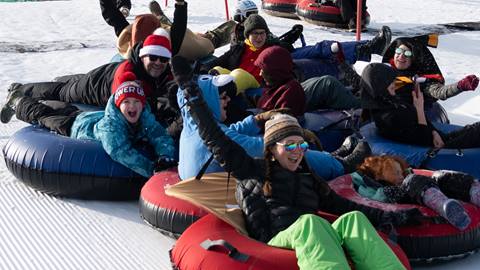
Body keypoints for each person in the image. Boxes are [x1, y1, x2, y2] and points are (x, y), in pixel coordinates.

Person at [173, 57, 422, 269]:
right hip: (274, 241)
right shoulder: (253, 170)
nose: (298, 152)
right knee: (310, 223)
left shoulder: (307, 176)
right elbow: (216, 139)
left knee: (353, 219)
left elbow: (341, 205)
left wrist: (393, 216)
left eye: (301, 145)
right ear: (272, 149)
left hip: (310, 241)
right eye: (290, 145)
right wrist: (190, 91)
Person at [173, 58, 371, 181]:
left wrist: (258, 119)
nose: (227, 100)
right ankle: (341, 163)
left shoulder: (194, 128)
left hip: (210, 176)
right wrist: (295, 139)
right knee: (285, 154)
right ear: (207, 104)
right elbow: (269, 148)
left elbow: (230, 132)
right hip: (228, 192)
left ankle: (332, 157)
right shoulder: (214, 139)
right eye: (222, 97)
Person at [1, 12, 185, 138]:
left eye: (163, 59)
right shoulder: (126, 75)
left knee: (69, 84)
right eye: (153, 57)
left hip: (106, 78)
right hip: (98, 86)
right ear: (144, 56)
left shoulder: (164, 71)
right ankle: (21, 90)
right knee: (64, 91)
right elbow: (125, 104)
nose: (158, 63)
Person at [4, 74, 176, 178]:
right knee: (44, 115)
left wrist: (166, 155)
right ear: (118, 105)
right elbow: (119, 151)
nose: (132, 106)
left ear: (142, 104)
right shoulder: (111, 128)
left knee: (66, 109)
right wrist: (151, 169)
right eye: (127, 102)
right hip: (76, 127)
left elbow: (159, 134)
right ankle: (17, 101)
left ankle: (38, 100)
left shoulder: (144, 115)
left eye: (136, 102)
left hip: (90, 117)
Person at [202, 13, 391, 85]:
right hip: (271, 77)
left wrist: (290, 36)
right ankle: (349, 75)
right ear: (247, 35)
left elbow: (284, 44)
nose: (259, 37)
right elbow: (215, 63)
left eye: (262, 33)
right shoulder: (238, 51)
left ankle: (368, 48)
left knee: (323, 47)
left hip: (286, 55)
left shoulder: (269, 43)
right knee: (316, 63)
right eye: (255, 34)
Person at [360, 63, 480, 149]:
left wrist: (433, 132)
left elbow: (437, 91)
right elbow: (421, 139)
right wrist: (419, 108)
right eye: (390, 81)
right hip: (439, 147)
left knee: (475, 128)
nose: (394, 83)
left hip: (437, 137)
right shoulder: (387, 117)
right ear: (379, 85)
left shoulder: (391, 101)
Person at [355, 155, 475, 230]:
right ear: (378, 175)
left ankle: (474, 192)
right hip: (409, 199)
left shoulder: (405, 178)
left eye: (401, 172)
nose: (401, 176)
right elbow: (373, 203)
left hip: (423, 190)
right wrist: (388, 192)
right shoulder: (374, 188)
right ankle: (444, 206)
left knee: (442, 177)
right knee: (412, 180)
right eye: (396, 173)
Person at [254, 46, 361, 117]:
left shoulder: (289, 93)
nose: (260, 74)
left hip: (329, 89)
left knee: (329, 83)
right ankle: (357, 86)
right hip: (325, 87)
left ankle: (364, 96)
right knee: (327, 82)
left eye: (264, 71)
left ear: (276, 72)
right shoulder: (276, 87)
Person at [382, 36, 479, 107]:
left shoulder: (419, 80)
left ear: (414, 59)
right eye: (398, 51)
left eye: (407, 53)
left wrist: (460, 86)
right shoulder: (383, 70)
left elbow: (439, 92)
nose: (401, 56)